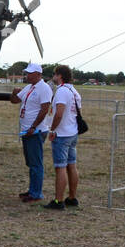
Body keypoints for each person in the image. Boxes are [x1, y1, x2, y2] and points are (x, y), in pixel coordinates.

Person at [9, 62, 52, 203]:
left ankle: (36, 193)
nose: (27, 75)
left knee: (35, 163)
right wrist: (14, 92)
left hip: (35, 131)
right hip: (27, 131)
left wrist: (33, 127)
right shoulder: (29, 87)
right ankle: (32, 190)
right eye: (26, 73)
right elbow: (14, 101)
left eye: (30, 73)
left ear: (38, 74)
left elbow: (44, 109)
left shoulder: (44, 88)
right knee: (31, 162)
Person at [46, 64, 82, 209]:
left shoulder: (61, 91)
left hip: (61, 134)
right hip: (72, 133)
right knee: (71, 166)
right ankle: (72, 197)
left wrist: (52, 130)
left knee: (60, 167)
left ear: (60, 76)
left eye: (54, 74)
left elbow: (59, 113)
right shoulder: (74, 91)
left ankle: (58, 200)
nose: (53, 77)